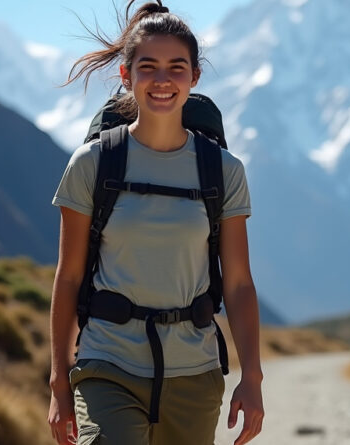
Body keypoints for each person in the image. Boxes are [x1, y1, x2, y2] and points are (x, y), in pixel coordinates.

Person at [46, 1, 264, 444]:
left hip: (195, 375)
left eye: (176, 67)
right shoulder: (93, 164)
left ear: (195, 77)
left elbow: (239, 283)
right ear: (126, 76)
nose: (162, 80)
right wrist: (58, 382)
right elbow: (68, 277)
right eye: (148, 67)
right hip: (107, 365)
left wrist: (253, 377)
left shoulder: (223, 171)